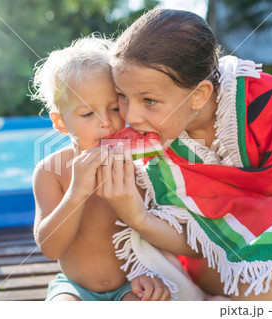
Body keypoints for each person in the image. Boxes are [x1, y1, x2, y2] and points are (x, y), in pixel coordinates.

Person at [96, 8, 272, 301]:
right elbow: (196, 244)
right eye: (122, 95)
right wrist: (136, 216)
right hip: (208, 255)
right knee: (266, 291)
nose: (131, 116)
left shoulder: (267, 103)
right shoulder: (150, 148)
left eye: (149, 100)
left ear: (199, 95)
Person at [30, 35, 171, 301]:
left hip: (132, 283)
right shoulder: (51, 172)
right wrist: (76, 193)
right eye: (87, 114)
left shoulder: (140, 164)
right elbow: (50, 248)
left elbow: (159, 227)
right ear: (61, 123)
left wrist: (150, 271)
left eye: (115, 108)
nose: (106, 123)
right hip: (74, 288)